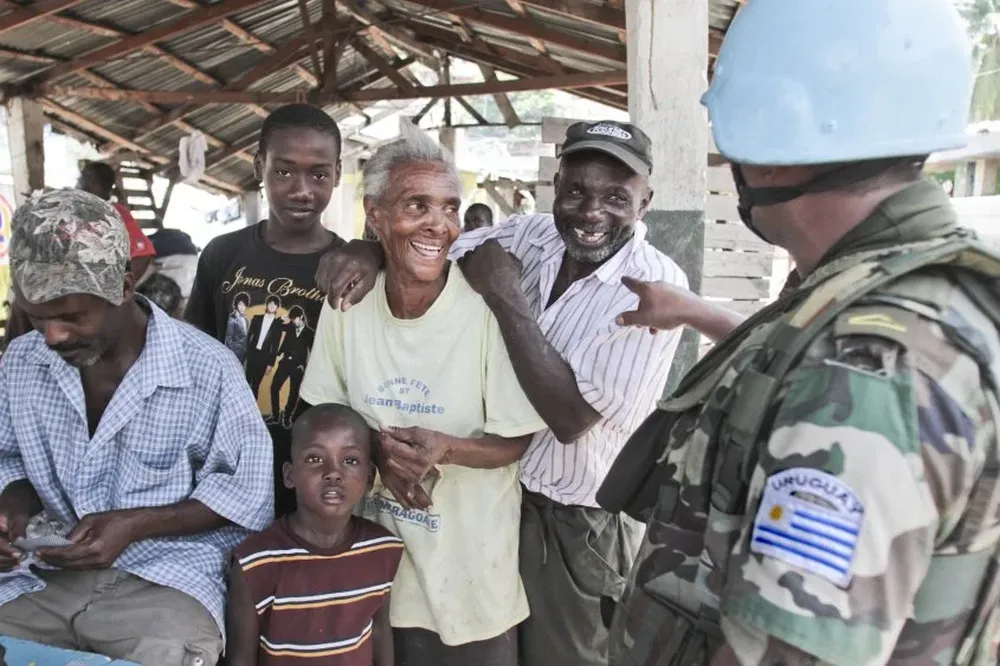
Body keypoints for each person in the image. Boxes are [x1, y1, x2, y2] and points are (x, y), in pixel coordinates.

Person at [599, 1, 1000, 664]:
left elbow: (796, 650)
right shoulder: (909, 296)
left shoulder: (866, 368)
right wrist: (697, 311)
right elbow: (787, 385)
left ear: (773, 149)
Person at [315, 120, 690, 666]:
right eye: (577, 191)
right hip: (490, 507)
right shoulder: (529, 235)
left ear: (646, 201)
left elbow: (570, 420)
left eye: (616, 197)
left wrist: (506, 296)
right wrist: (368, 251)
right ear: (556, 185)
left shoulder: (655, 287)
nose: (591, 212)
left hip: (569, 524)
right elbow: (427, 243)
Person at [299, 125, 545, 666]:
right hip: (373, 570)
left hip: (471, 581)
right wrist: (377, 453)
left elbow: (516, 440)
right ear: (375, 215)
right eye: (417, 205)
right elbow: (324, 411)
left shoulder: (483, 309)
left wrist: (444, 448)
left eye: (450, 207)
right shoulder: (349, 302)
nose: (439, 224)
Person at [0, 190, 273, 664]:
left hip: (165, 577)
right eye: (37, 318)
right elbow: (8, 458)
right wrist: (10, 513)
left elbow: (246, 493)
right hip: (43, 573)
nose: (52, 336)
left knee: (169, 654)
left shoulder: (206, 368)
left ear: (124, 287)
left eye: (70, 316)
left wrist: (137, 524)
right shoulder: (23, 362)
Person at [185, 103, 346, 517]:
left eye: (319, 174)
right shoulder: (222, 254)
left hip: (314, 473)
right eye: (284, 171)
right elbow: (194, 356)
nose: (301, 189)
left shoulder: (350, 266)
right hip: (227, 461)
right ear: (260, 167)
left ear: (338, 175)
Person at [226, 404, 404, 666]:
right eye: (315, 459)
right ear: (289, 475)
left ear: (369, 478)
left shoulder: (381, 550)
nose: (333, 472)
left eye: (350, 460)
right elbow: (241, 659)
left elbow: (379, 633)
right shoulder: (256, 564)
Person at [77, 161, 157, 282]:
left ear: (94, 184)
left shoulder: (115, 214)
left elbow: (142, 255)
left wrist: (120, 291)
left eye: (82, 178)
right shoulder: (81, 213)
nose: (78, 183)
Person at [269, 306, 314, 430]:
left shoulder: (310, 332)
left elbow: (313, 351)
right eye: (292, 318)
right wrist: (283, 318)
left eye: (295, 319)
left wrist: (304, 366)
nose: (293, 321)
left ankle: (287, 417)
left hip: (297, 367)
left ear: (301, 317)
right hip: (285, 363)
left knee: (293, 394)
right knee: (274, 387)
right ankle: (275, 415)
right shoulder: (289, 326)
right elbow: (276, 325)